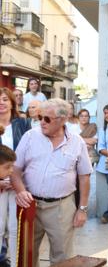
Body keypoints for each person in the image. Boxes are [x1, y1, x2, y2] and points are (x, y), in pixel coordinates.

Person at [11, 99, 92, 266]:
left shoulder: (77, 142)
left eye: (47, 118)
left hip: (61, 207)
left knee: (63, 257)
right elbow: (15, 169)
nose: (42, 122)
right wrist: (20, 191)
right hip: (30, 205)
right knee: (26, 254)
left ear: (62, 120)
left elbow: (84, 176)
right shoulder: (30, 136)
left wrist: (82, 209)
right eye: (40, 117)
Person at [0, 88, 29, 267]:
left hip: (18, 183)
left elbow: (29, 152)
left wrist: (17, 178)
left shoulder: (23, 124)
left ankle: (16, 262)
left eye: (4, 99)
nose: (1, 103)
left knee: (15, 227)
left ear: (12, 102)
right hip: (0, 185)